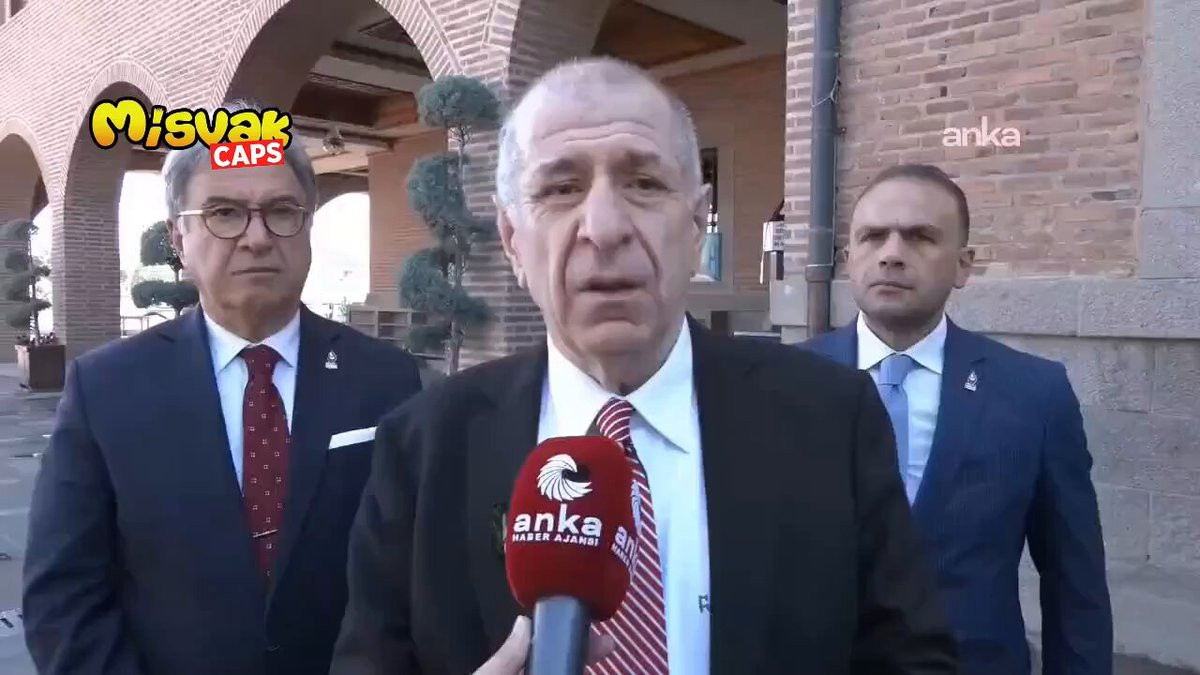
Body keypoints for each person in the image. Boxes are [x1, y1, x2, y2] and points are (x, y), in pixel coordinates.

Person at [329, 57, 958, 674]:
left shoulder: (831, 417)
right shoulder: (423, 445)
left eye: (645, 183)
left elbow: (912, 658)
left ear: (696, 224)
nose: (604, 228)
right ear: (514, 242)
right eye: (561, 189)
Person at [21, 100, 423, 675]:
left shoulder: (387, 379)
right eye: (225, 213)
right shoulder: (105, 388)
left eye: (281, 211)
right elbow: (63, 598)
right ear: (178, 237)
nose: (257, 237)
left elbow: (414, 576)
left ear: (308, 225)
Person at [802, 164, 1113, 674]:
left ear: (963, 266)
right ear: (849, 257)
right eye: (873, 236)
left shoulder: (1034, 394)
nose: (892, 253)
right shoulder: (783, 381)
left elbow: (1075, 583)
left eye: (920, 237)